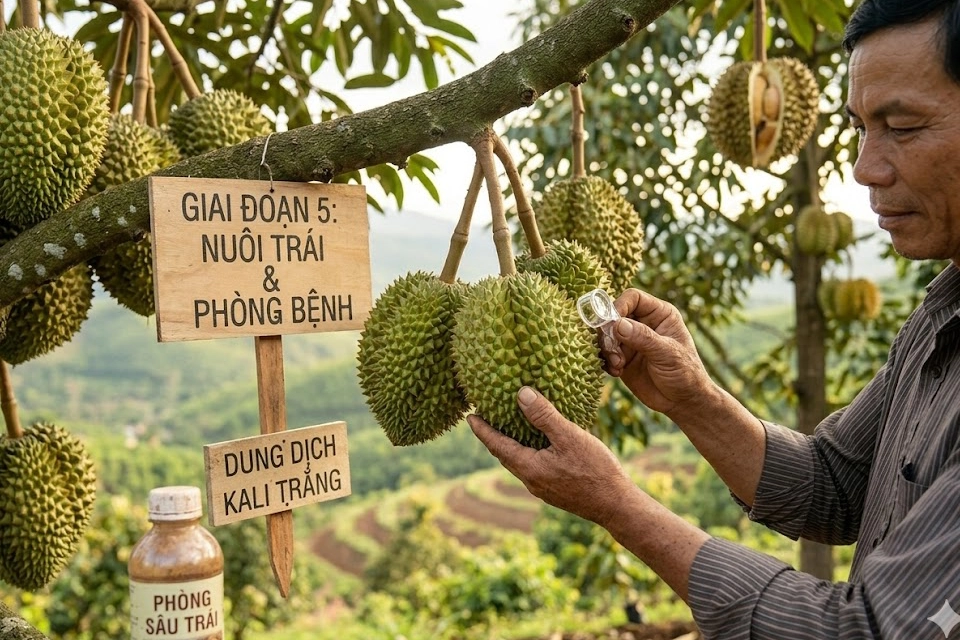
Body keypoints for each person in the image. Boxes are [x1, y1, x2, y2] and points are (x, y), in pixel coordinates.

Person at [469, 0, 960, 637]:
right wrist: (694, 399)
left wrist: (617, 504)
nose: (865, 168)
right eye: (862, 128)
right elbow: (839, 484)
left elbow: (864, 630)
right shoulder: (940, 316)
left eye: (903, 126)